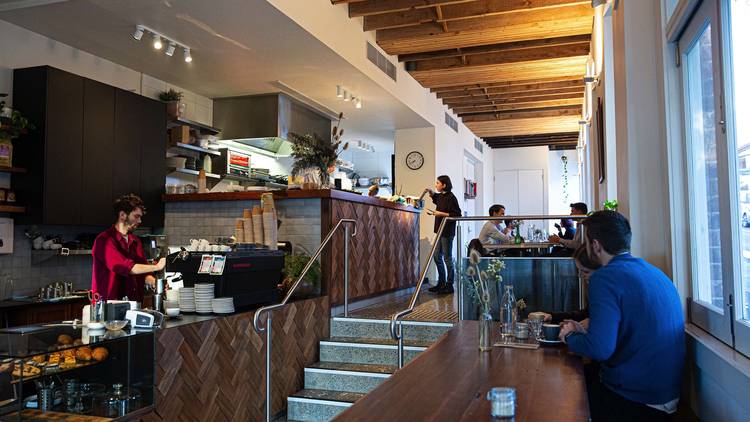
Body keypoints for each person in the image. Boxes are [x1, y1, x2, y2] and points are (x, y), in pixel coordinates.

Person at [560, 211, 685, 422]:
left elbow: (599, 349)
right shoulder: (653, 271)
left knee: (563, 396)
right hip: (665, 395)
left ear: (596, 245)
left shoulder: (604, 277)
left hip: (637, 400)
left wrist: (569, 335)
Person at [92, 194, 166, 302]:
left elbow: (143, 273)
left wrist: (153, 281)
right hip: (108, 307)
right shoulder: (104, 240)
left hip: (133, 304)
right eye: (136, 216)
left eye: (140, 217)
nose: (140, 221)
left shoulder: (135, 241)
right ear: (122, 215)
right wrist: (157, 266)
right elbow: (127, 267)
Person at [424, 175, 461, 294]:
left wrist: (441, 214)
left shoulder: (451, 197)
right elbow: (436, 198)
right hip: (439, 230)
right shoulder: (440, 196)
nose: (436, 185)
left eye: (438, 183)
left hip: (447, 232)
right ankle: (441, 282)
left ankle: (449, 285)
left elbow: (457, 214)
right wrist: (430, 192)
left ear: (444, 185)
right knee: (436, 256)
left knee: (447, 258)